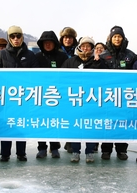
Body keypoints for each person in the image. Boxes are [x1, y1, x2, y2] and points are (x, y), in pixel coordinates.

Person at [0, 25, 39, 162]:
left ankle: (21, 153)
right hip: (7, 97)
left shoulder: (30, 55)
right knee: (7, 124)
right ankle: (5, 153)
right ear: (9, 38)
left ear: (22, 37)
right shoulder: (2, 54)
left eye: (18, 36)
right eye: (12, 36)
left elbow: (36, 74)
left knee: (21, 124)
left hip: (24, 97)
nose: (16, 39)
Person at [62, 36, 105, 163]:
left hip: (92, 100)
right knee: (75, 126)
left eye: (89, 46)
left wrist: (98, 62)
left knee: (91, 126)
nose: (86, 48)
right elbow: (62, 78)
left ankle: (90, 152)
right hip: (75, 100)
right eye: (84, 46)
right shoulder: (71, 61)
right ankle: (75, 151)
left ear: (92, 48)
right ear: (79, 47)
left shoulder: (98, 61)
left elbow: (106, 77)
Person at [98, 26, 137, 161]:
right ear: (110, 38)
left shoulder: (131, 56)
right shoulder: (103, 56)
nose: (117, 38)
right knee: (108, 123)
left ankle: (122, 150)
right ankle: (106, 150)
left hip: (124, 96)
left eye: (119, 36)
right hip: (108, 96)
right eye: (115, 36)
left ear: (123, 38)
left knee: (122, 123)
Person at [35, 30, 68, 158]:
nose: (48, 45)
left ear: (55, 43)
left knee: (54, 121)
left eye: (50, 43)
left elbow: (67, 76)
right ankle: (42, 147)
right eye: (45, 43)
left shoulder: (62, 57)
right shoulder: (37, 57)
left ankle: (55, 147)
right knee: (41, 121)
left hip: (57, 95)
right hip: (41, 95)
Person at [59, 27, 78, 153]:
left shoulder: (78, 51)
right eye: (65, 37)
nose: (67, 40)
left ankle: (70, 141)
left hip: (75, 87)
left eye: (70, 37)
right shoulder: (58, 51)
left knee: (73, 115)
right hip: (60, 86)